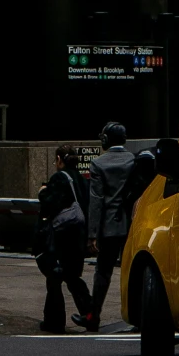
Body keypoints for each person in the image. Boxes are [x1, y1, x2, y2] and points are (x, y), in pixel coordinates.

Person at [79, 121, 137, 331]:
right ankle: (137, 316)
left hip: (109, 227)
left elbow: (96, 201)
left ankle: (94, 316)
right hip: (132, 223)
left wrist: (92, 234)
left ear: (105, 140)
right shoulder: (133, 160)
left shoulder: (98, 164)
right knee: (132, 271)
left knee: (103, 273)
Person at [37, 145, 93, 334]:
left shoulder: (59, 178)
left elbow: (50, 203)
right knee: (73, 278)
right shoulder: (83, 179)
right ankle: (90, 314)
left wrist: (42, 192)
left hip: (61, 237)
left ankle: (54, 321)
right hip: (78, 236)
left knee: (54, 279)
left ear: (60, 159)